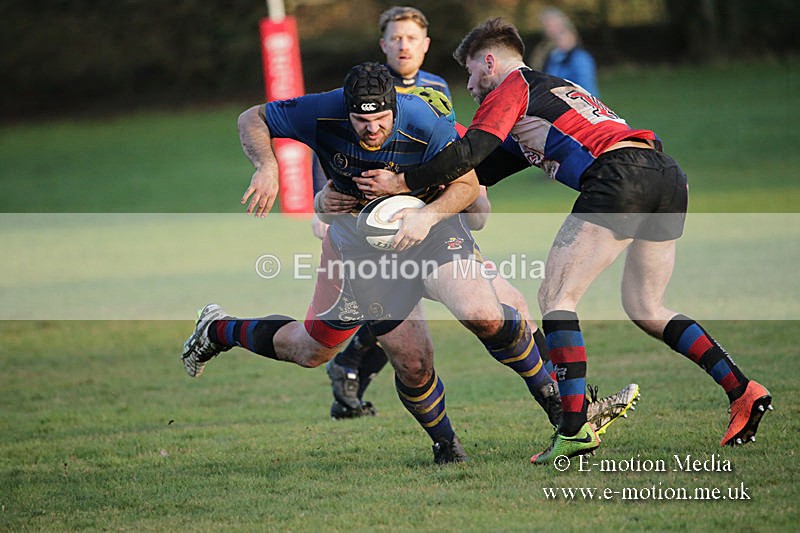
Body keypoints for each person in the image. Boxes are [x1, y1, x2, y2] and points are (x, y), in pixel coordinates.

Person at [353, 18, 772, 463]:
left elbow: (471, 151)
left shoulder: (512, 86)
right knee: (647, 308)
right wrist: (421, 193)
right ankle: (743, 390)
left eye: (472, 74)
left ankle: (573, 428)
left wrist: (402, 182)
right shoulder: (545, 97)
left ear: (489, 62)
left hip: (620, 177)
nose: (471, 86)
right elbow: (478, 173)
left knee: (555, 295)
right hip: (665, 175)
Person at [184, 62, 561, 465]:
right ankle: (446, 446)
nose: (371, 129)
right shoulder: (321, 111)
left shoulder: (425, 121)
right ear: (345, 109)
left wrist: (425, 212)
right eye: (361, 120)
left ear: (395, 108)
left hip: (431, 233)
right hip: (364, 252)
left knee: (485, 313)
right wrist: (268, 165)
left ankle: (560, 404)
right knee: (400, 360)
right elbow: (252, 117)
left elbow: (469, 189)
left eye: (380, 118)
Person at [530, 7, 599, 96]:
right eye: (546, 26)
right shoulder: (552, 55)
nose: (550, 30)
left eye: (551, 25)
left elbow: (587, 90)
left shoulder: (580, 59)